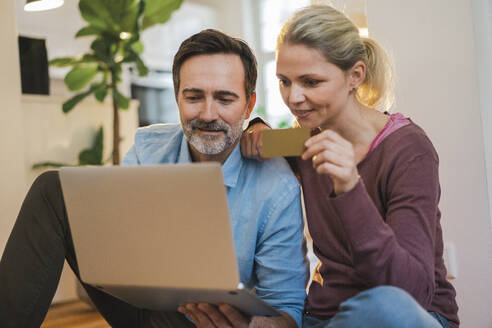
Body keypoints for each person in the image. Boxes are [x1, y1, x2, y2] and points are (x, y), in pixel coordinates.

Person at [0, 29, 307, 328]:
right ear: (177, 98)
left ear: (248, 105)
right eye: (193, 97)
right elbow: (119, 239)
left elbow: (288, 312)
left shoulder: (277, 188)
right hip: (138, 304)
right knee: (52, 189)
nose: (208, 113)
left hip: (208, 323)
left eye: (225, 99)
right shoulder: (150, 148)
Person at [241, 4, 459, 328]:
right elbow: (255, 139)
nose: (294, 97)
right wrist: (254, 128)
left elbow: (410, 292)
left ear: (355, 76)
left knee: (385, 307)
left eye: (311, 82)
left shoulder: (408, 150)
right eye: (284, 81)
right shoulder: (304, 141)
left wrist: (350, 187)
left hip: (411, 314)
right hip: (326, 318)